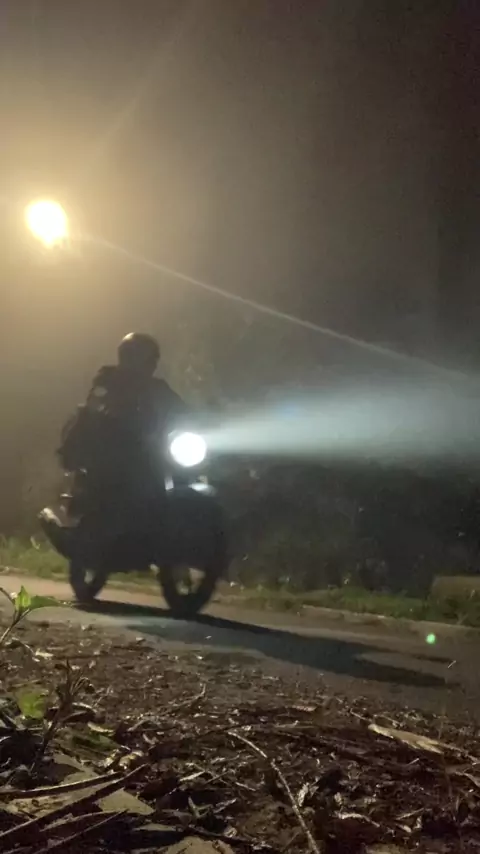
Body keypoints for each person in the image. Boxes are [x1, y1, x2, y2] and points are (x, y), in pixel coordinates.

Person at [57, 332, 187, 536]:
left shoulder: (157, 388)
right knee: (95, 492)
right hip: (111, 462)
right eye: (148, 359)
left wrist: (204, 420)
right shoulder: (106, 384)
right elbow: (92, 412)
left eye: (153, 360)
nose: (151, 365)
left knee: (184, 484)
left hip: (149, 457)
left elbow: (183, 411)